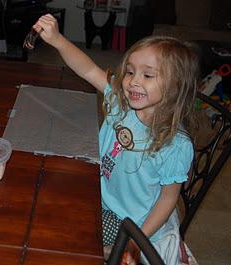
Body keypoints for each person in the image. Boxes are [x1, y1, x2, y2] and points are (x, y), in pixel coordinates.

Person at [32, 14, 199, 264]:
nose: (133, 81)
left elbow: (168, 199)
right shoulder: (120, 104)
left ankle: (117, 252)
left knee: (63, 238)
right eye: (130, 71)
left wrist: (135, 241)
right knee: (44, 196)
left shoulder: (175, 145)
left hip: (129, 222)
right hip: (100, 194)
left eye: (148, 75)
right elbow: (88, 69)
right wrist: (57, 40)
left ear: (175, 86)